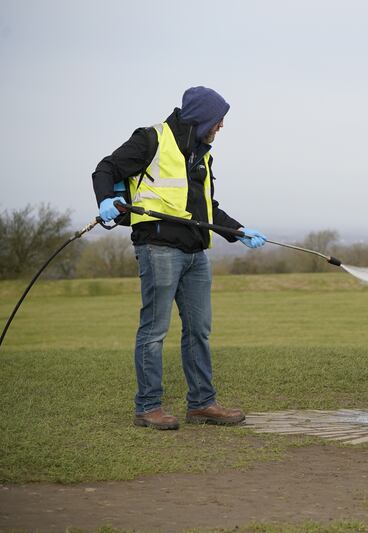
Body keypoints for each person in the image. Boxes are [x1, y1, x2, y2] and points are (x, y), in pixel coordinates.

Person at [92, 86, 267, 430]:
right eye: (218, 121)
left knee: (199, 331)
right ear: (202, 119)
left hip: (195, 253)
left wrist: (238, 230)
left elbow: (205, 209)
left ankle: (202, 404)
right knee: (154, 331)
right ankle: (148, 407)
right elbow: (105, 168)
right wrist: (106, 199)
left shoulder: (202, 155)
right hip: (158, 248)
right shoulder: (151, 139)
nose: (221, 127)